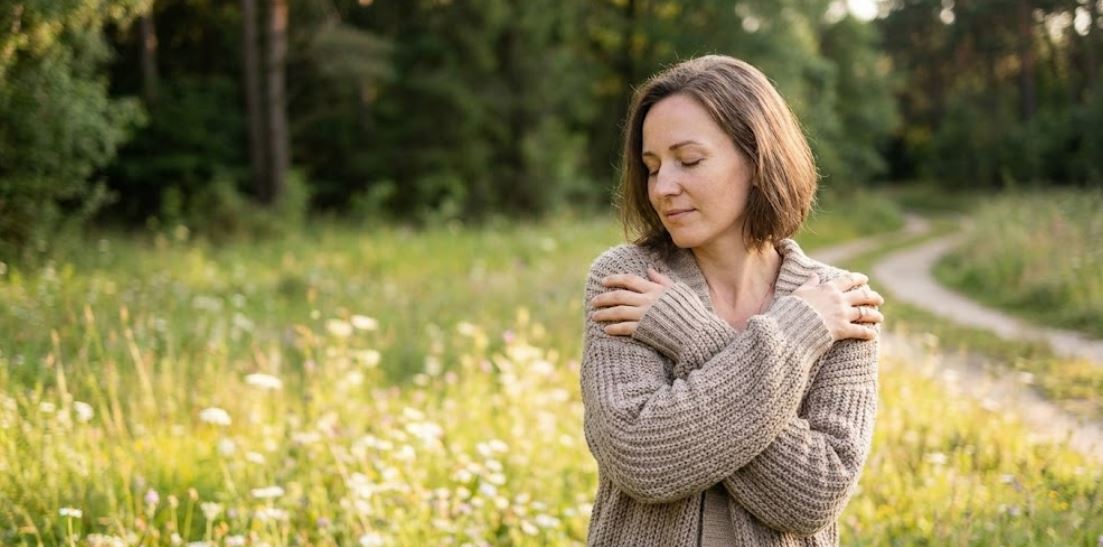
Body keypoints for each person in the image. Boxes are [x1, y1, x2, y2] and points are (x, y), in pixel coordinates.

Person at [581, 55, 884, 546]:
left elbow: (815, 495)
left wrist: (687, 333)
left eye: (690, 160)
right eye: (652, 166)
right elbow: (641, 457)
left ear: (758, 159)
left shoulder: (839, 303)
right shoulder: (625, 279)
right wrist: (796, 335)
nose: (663, 188)